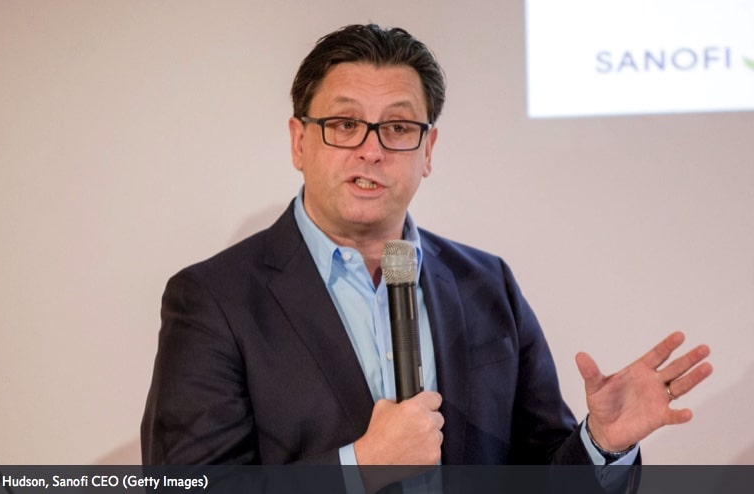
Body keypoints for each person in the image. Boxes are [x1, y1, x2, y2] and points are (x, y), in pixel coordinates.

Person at [141, 23, 712, 475]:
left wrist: (601, 444)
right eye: (344, 124)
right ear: (299, 141)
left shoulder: (487, 283)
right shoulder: (214, 298)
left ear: (428, 150)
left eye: (397, 128)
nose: (371, 151)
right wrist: (358, 467)